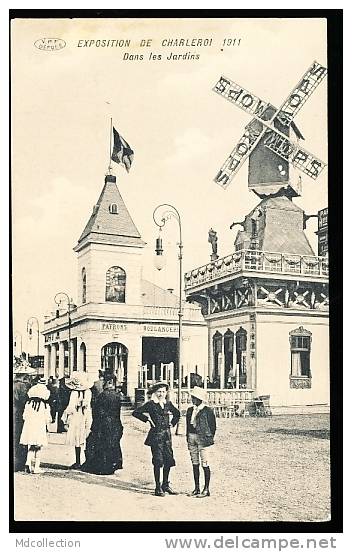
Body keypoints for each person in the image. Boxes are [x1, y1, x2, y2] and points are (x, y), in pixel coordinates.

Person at [132, 381, 180, 497]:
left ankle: (165, 484)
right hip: (156, 436)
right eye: (159, 392)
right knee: (158, 461)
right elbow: (136, 412)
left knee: (168, 459)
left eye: (163, 392)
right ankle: (158, 487)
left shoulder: (168, 403)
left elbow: (177, 414)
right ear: (154, 392)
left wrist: (172, 424)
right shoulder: (151, 404)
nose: (161, 394)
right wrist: (147, 419)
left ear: (166, 392)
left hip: (167, 436)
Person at [82, 376, 123, 475]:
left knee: (101, 445)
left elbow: (97, 412)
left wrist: (95, 424)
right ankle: (113, 464)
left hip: (103, 423)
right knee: (112, 444)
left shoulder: (102, 396)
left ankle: (102, 467)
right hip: (115, 423)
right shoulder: (117, 395)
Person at [186, 386, 216, 498]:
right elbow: (188, 426)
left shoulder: (208, 411)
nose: (192, 399)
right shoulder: (190, 410)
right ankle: (197, 487)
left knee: (205, 463)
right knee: (195, 463)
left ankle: (206, 489)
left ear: (200, 399)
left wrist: (208, 438)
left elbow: (213, 426)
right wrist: (188, 438)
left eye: (194, 397)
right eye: (192, 397)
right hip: (192, 437)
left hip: (203, 439)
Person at [20, 377, 51, 474]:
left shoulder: (29, 403)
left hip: (29, 426)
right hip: (39, 427)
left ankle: (28, 463)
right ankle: (36, 467)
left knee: (31, 445)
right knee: (38, 446)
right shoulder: (45, 405)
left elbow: (24, 416)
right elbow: (48, 419)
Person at [61, 372, 93, 469]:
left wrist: (65, 417)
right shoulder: (88, 392)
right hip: (86, 415)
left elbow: (70, 407)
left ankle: (78, 461)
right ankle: (88, 461)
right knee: (86, 436)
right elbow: (88, 405)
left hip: (77, 416)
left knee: (77, 439)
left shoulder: (74, 393)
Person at [13, 373, 31, 471]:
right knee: (20, 438)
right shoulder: (22, 386)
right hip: (18, 415)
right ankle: (18, 463)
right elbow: (24, 401)